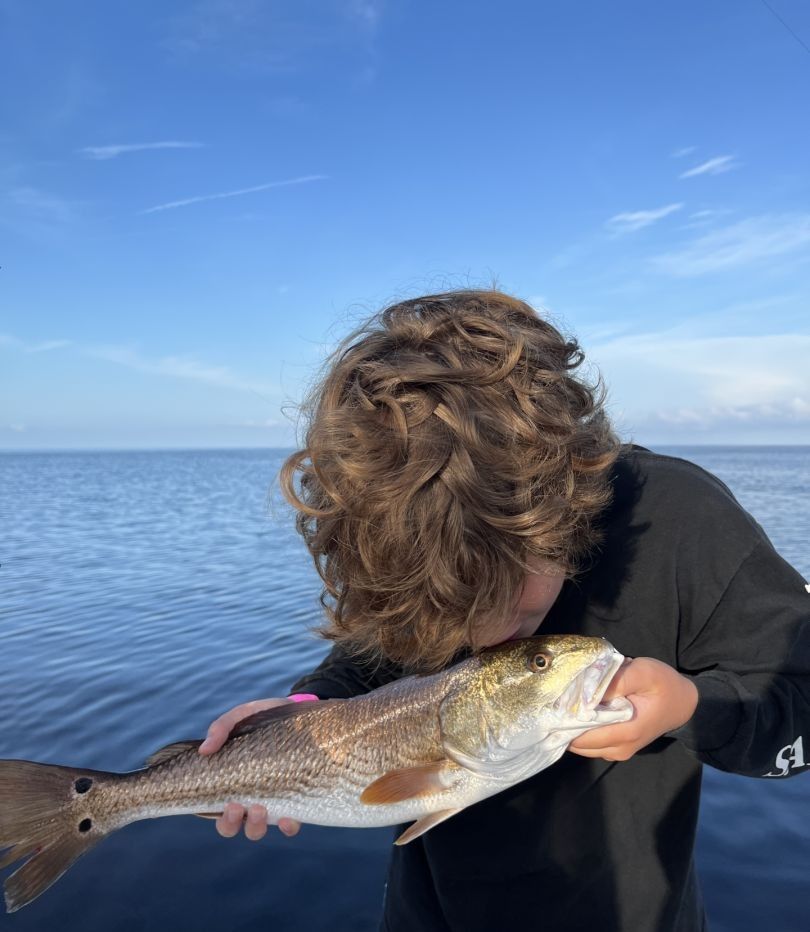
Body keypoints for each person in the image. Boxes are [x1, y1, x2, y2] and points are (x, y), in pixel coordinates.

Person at [197, 290, 810, 931]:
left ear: (560, 506)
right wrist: (309, 711)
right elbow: (375, 651)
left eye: (505, 592)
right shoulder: (403, 544)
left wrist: (688, 706)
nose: (483, 632)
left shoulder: (681, 520)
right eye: (447, 611)